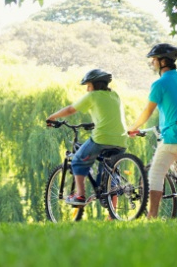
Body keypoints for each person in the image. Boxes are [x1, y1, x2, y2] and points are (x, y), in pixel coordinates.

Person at [127, 43, 177, 218]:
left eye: (154, 60)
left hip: (172, 136)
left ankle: (152, 215)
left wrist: (133, 128)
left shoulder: (159, 83)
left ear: (162, 62)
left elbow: (148, 111)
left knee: (156, 173)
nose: (152, 63)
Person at [46, 69, 128, 206]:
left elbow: (71, 109)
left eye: (88, 86)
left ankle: (80, 196)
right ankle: (113, 214)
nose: (87, 90)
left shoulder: (93, 96)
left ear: (95, 85)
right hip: (121, 140)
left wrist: (52, 117)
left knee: (77, 161)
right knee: (109, 175)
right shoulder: (115, 95)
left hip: (102, 138)